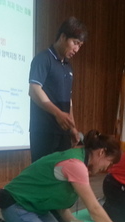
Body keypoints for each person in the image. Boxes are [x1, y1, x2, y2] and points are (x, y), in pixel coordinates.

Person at [0, 130, 125, 222]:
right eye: (109, 161)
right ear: (101, 152)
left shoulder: (79, 161)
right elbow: (94, 208)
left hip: (38, 208)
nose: (108, 167)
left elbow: (63, 211)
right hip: (16, 205)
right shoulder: (76, 165)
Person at [28, 17, 87, 162]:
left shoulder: (68, 66)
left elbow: (69, 100)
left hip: (63, 132)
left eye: (80, 45)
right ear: (63, 37)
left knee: (61, 175)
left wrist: (73, 127)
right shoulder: (43, 59)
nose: (76, 49)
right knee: (42, 175)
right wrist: (57, 113)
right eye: (75, 43)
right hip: (44, 131)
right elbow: (34, 90)